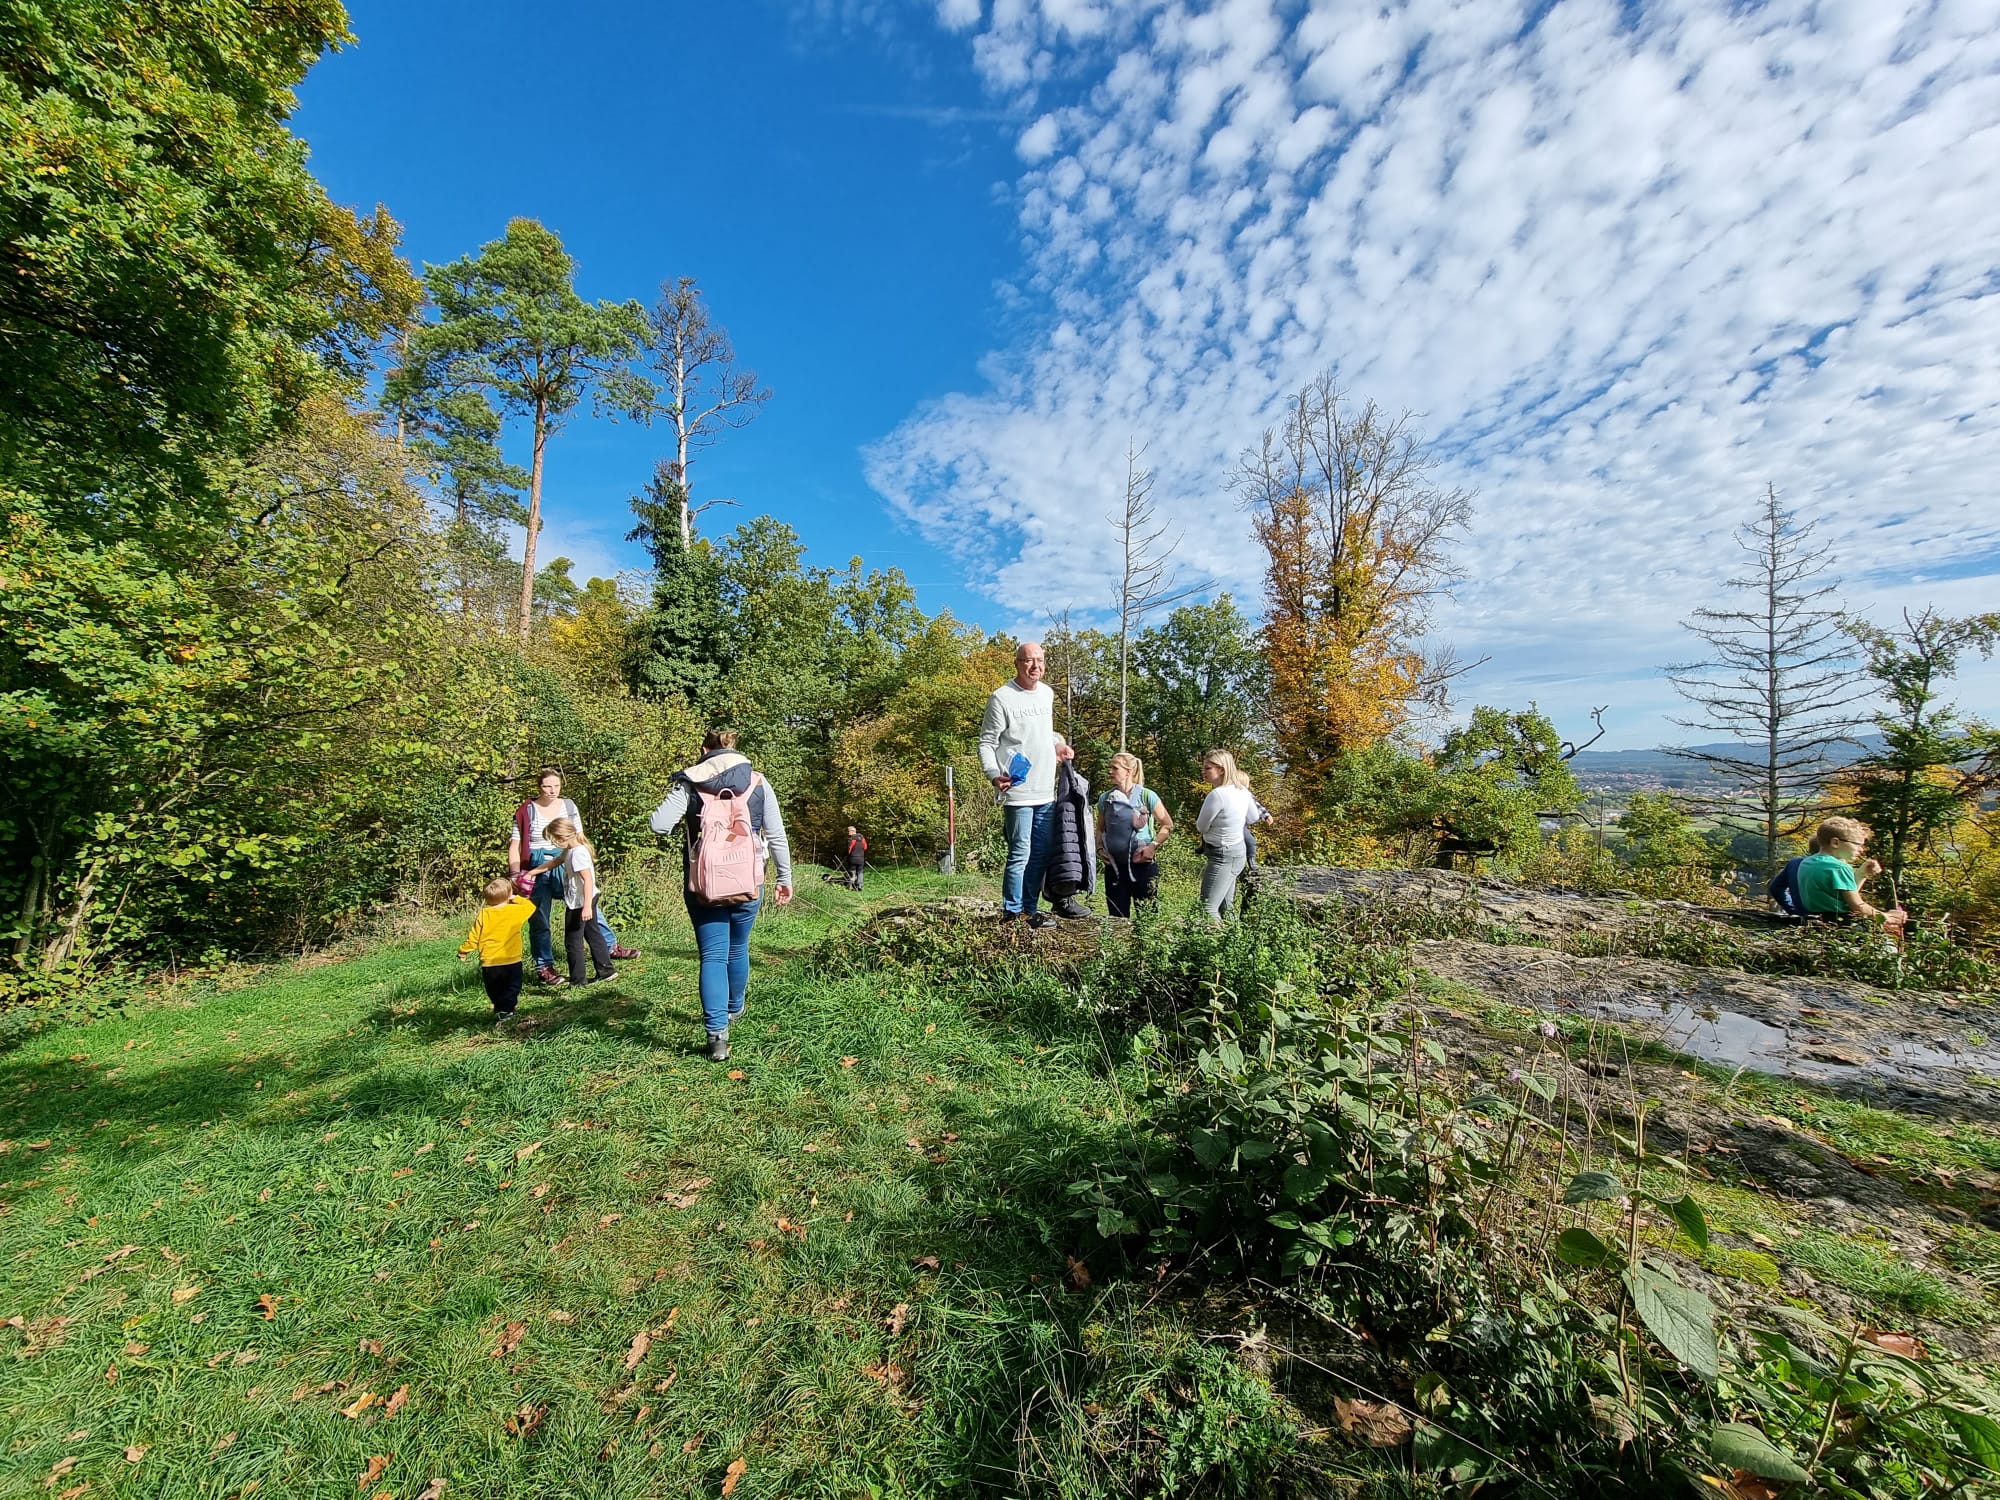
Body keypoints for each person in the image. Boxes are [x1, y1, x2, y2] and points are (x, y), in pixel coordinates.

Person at [649, 730, 794, 1062]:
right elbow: (776, 834)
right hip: (748, 881)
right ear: (734, 748)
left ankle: (717, 1037)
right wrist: (784, 877)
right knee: (738, 947)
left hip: (703, 886)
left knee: (712, 956)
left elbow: (658, 824)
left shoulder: (690, 782)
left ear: (705, 750)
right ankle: (735, 1007)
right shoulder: (758, 782)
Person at [506, 769, 639, 986]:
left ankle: (609, 947)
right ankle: (545, 966)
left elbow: (577, 840)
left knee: (587, 907)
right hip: (538, 862)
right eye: (547, 786)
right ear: (538, 786)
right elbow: (515, 845)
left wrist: (580, 857)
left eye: (556, 786)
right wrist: (518, 873)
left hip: (564, 858)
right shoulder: (526, 811)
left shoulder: (568, 808)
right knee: (539, 917)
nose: (552, 790)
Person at [978, 641, 1077, 927]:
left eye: (1040, 660)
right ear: (1017, 663)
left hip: (1045, 789)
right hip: (1018, 791)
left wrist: (1058, 745)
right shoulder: (1002, 698)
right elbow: (986, 742)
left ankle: (1029, 910)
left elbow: (1044, 734)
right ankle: (1011, 912)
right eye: (1028, 660)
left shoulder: (1047, 694)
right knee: (1020, 851)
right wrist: (993, 774)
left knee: (1042, 851)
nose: (1035, 666)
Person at [1797, 817, 1907, 934]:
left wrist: (1862, 874)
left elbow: (1840, 896)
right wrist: (1887, 917)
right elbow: (1857, 907)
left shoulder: (1806, 863)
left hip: (1813, 925)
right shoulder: (1839, 867)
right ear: (1835, 842)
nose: (1861, 850)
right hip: (1840, 926)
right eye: (1857, 844)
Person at [542, 818, 617, 986]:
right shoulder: (571, 850)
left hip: (580, 901)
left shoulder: (577, 854)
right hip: (583, 899)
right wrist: (532, 873)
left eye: (554, 840)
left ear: (563, 837)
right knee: (593, 934)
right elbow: (554, 862)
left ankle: (578, 980)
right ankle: (606, 971)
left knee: (572, 941)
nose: (554, 844)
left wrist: (586, 907)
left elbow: (588, 880)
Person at [1097, 751, 1173, 918]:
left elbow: (1167, 825)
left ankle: (1146, 945)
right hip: (1115, 867)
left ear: (1129, 771)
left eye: (1115, 768)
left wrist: (1153, 847)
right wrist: (1100, 849)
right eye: (1110, 767)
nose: (1110, 771)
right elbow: (1100, 829)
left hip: (1143, 865)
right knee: (1117, 918)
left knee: (1147, 918)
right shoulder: (1106, 798)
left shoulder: (1147, 796)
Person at [457, 877, 536, 1026]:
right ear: (509, 894)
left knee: (494, 988)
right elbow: (531, 907)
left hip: (489, 961)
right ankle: (507, 1011)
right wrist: (516, 898)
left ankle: (502, 1009)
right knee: (512, 986)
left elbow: (474, 936)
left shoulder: (484, 914)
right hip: (511, 959)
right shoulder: (515, 910)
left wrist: (463, 951)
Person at [1194, 748, 1255, 920]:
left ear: (1221, 769)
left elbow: (1201, 826)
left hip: (1222, 854)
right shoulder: (1242, 791)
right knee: (1227, 908)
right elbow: (1253, 817)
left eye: (1208, 768)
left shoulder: (1218, 795)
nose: (1203, 771)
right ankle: (1235, 942)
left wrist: (1220, 826)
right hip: (1238, 852)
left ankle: (1212, 945)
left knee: (1208, 909)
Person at [1766, 837, 1818, 917]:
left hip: (1801, 915)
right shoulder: (1834, 866)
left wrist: (1792, 908)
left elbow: (1775, 888)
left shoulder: (1795, 863)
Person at [1233, 767, 1273, 871]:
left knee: (1250, 840)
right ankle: (1204, 845)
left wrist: (1266, 815)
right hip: (1226, 822)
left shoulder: (1247, 795)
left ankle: (1251, 860)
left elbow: (1257, 806)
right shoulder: (1225, 794)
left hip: (1240, 824)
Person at [845, 826, 868, 891]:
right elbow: (865, 847)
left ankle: (851, 885)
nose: (848, 833)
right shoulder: (862, 838)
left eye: (848, 831)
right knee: (860, 872)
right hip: (861, 858)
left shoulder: (852, 839)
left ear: (852, 831)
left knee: (852, 871)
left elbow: (850, 849)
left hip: (853, 858)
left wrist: (848, 854)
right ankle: (859, 885)